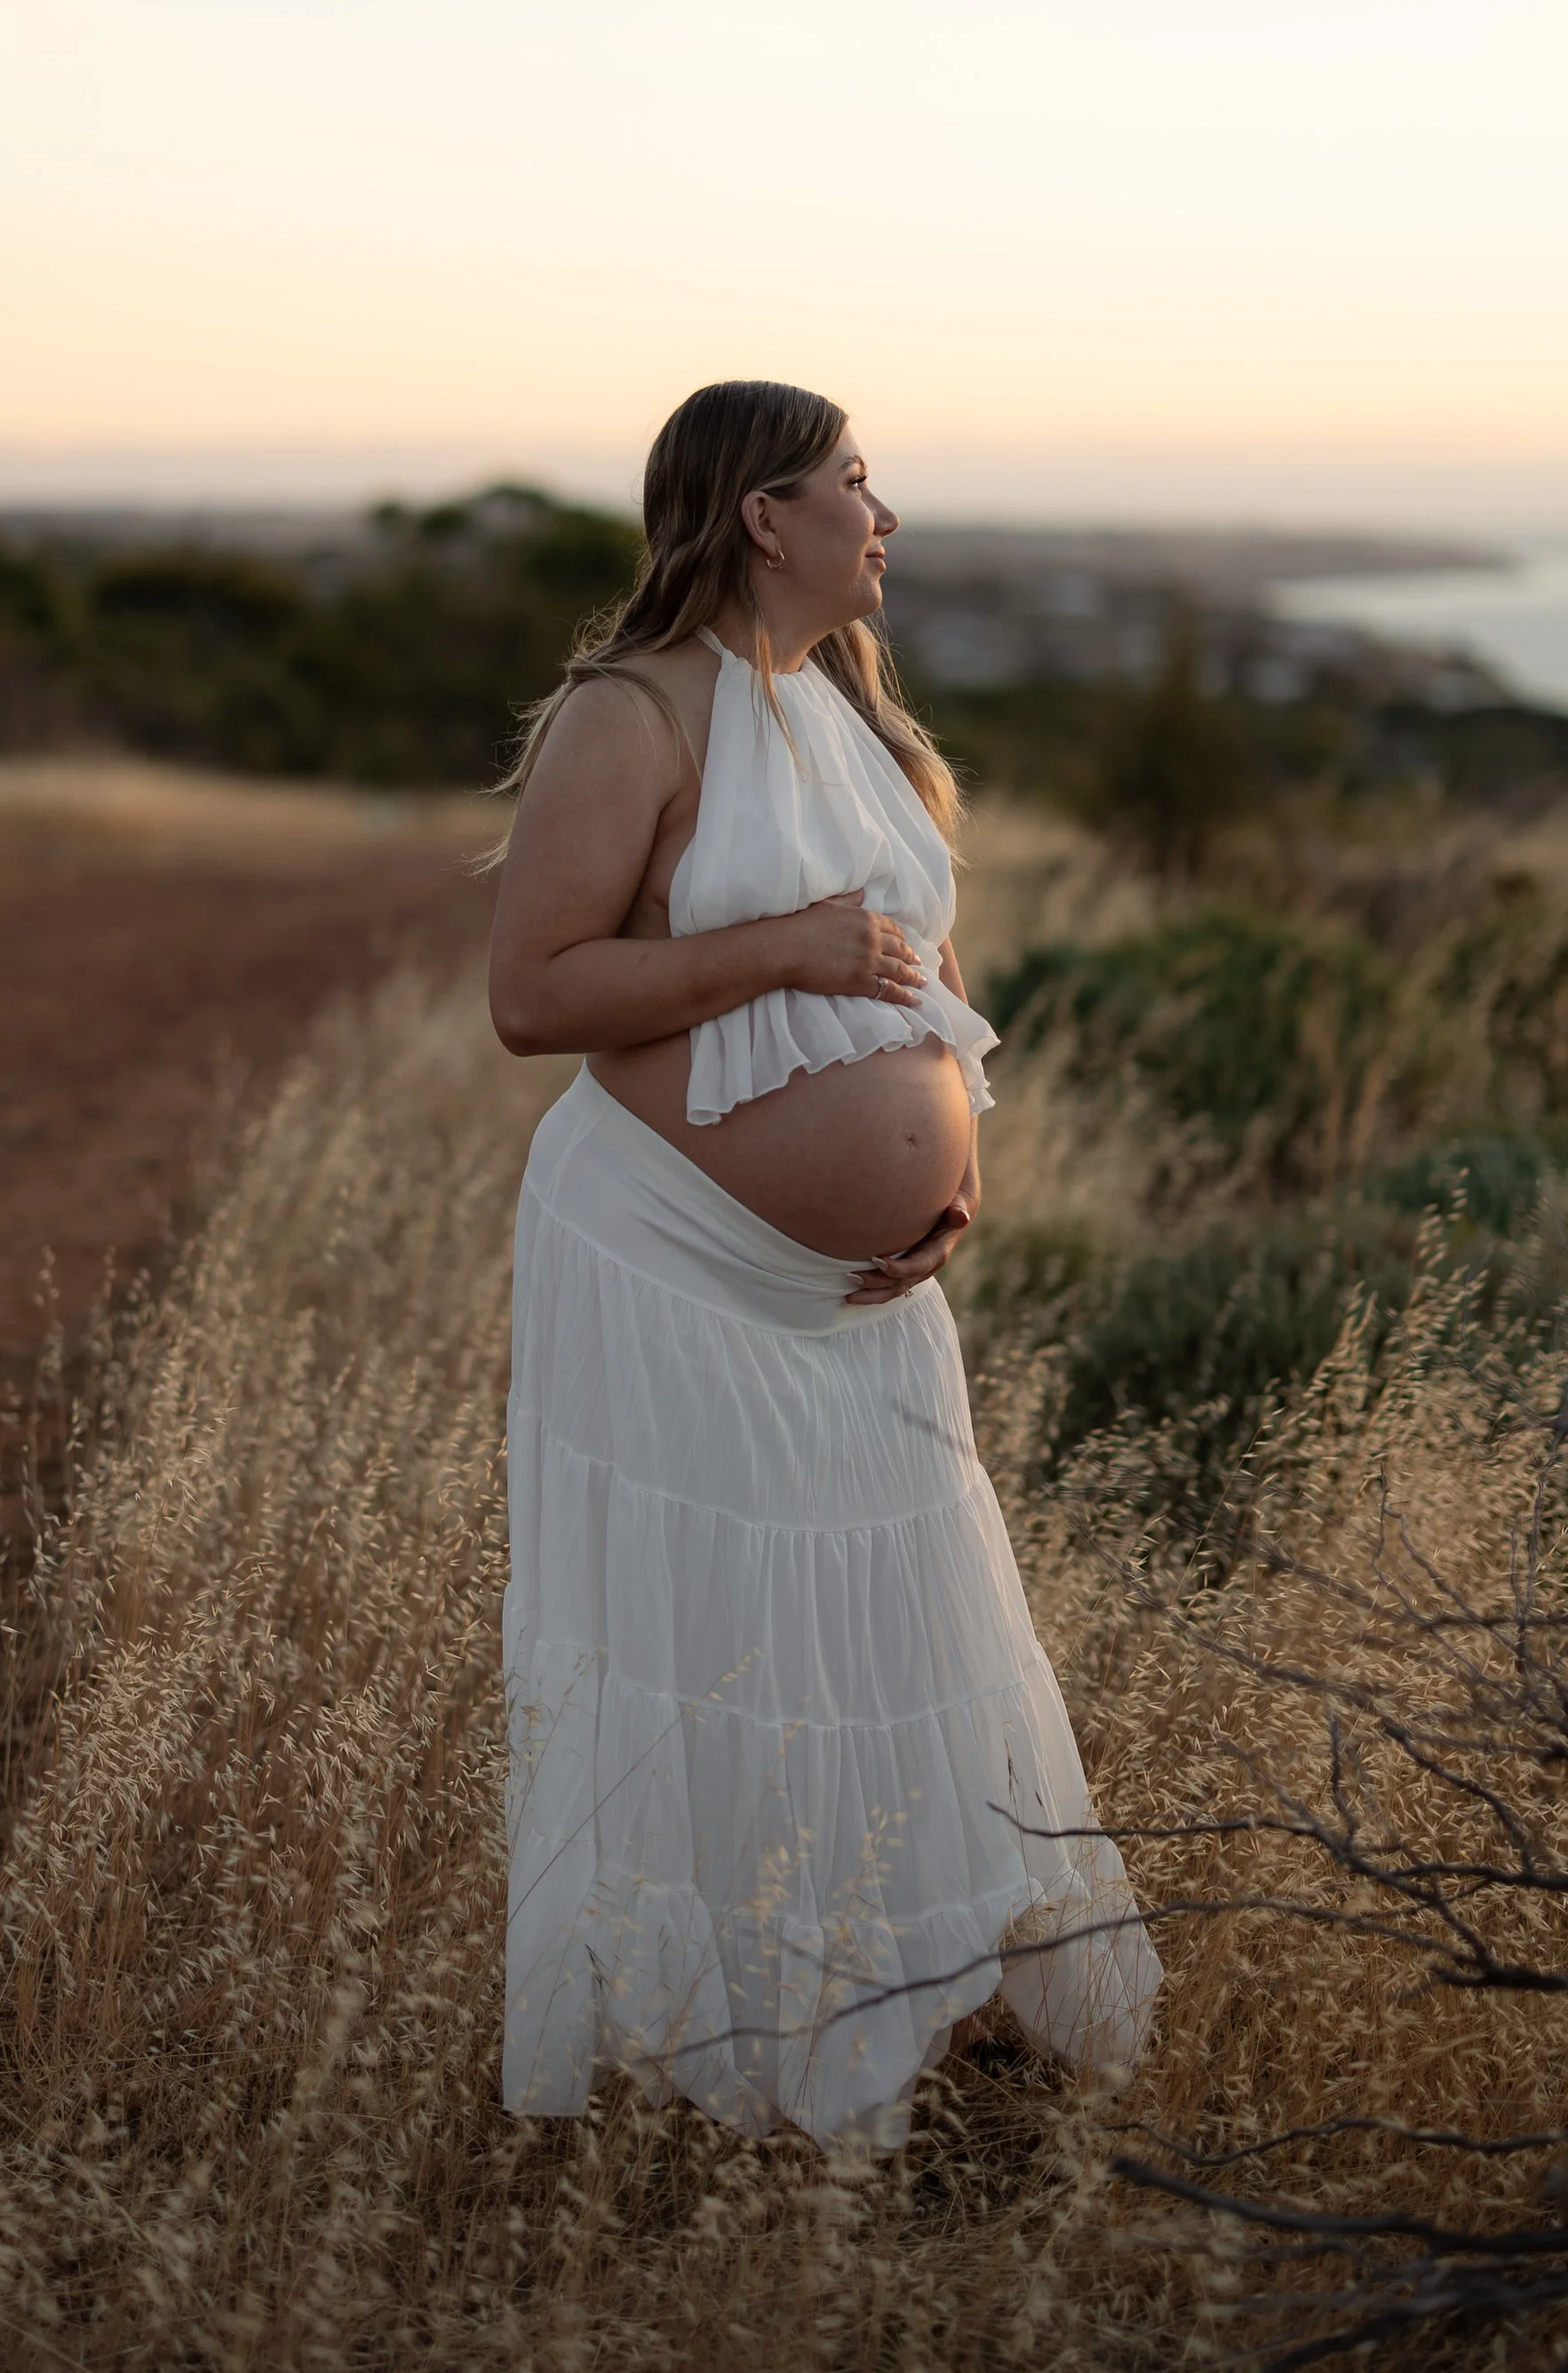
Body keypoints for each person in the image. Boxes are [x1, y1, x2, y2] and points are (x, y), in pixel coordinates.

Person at [489, 379, 1159, 2150]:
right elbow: (533, 992)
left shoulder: (847, 713)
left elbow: (912, 983)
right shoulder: (629, 715)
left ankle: (891, 2024)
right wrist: (784, 946)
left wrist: (946, 1170)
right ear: (760, 517)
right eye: (853, 482)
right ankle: (725, 2069)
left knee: (894, 1635)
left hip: (862, 1301)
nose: (886, 515)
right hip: (669, 1257)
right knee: (716, 1651)